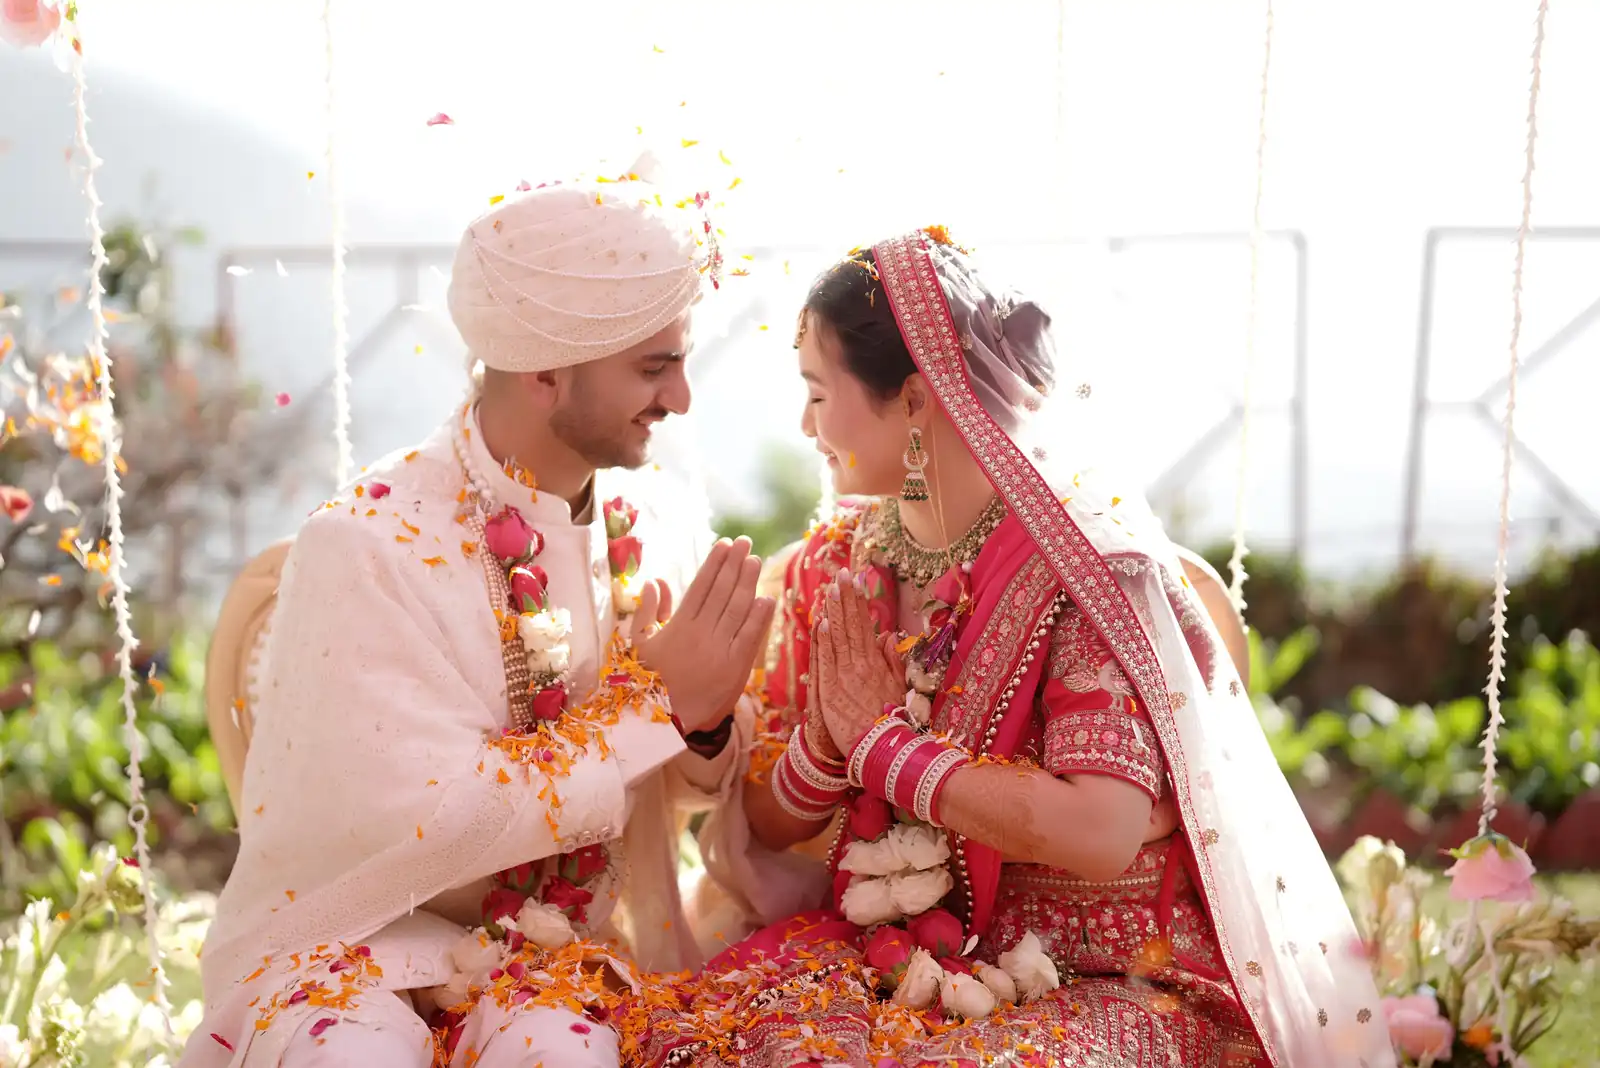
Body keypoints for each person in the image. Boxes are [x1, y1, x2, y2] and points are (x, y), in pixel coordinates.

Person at [621, 229, 1396, 1067]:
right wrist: (827, 741)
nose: (806, 424)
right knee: (711, 1041)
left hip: (1106, 976)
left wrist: (885, 748)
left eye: (817, 390)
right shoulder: (832, 568)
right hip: (895, 954)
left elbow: (1102, 829)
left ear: (916, 400)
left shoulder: (1084, 575)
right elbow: (767, 827)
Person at [179, 173, 794, 1068]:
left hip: (563, 957)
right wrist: (652, 707)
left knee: (561, 1052)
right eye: (654, 367)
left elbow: (684, 785)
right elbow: (435, 818)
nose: (683, 398)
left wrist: (701, 729)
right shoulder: (367, 546)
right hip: (360, 949)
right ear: (546, 368)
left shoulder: (651, 525)